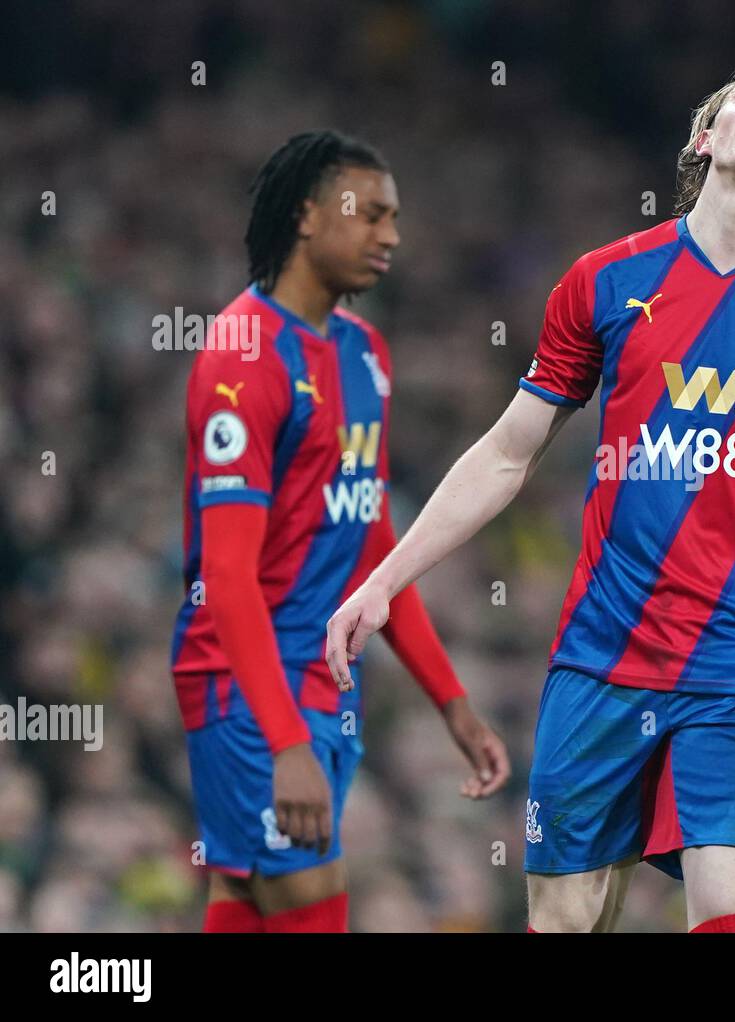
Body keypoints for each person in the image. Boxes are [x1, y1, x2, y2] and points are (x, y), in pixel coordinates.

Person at [327, 59, 735, 933]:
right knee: (565, 923)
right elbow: (508, 451)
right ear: (706, 136)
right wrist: (383, 579)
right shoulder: (603, 280)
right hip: (602, 657)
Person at [172, 131, 510, 933]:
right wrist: (283, 738)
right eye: (371, 214)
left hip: (319, 687)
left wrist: (452, 705)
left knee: (246, 902)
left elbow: (371, 543)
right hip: (246, 687)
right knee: (311, 910)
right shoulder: (240, 355)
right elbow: (225, 577)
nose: (390, 234)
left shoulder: (366, 354)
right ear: (306, 215)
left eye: (396, 218)